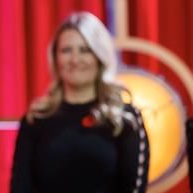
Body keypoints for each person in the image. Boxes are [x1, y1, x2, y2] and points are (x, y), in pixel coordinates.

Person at [9, 11, 150, 193]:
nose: (75, 60)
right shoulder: (36, 119)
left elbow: (134, 188)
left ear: (100, 57)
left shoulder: (125, 118)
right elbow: (20, 188)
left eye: (85, 50)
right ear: (55, 58)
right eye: (66, 50)